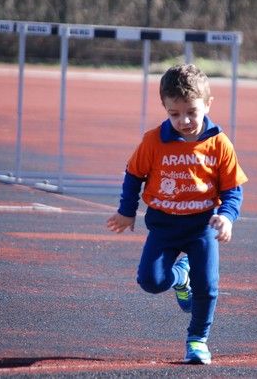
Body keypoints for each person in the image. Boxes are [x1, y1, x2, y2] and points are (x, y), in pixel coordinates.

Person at [106, 64, 248, 365]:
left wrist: (227, 217)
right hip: (164, 227)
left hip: (202, 227)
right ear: (165, 108)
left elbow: (233, 189)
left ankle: (197, 340)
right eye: (174, 113)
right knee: (151, 281)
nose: (183, 120)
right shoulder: (154, 141)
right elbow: (134, 174)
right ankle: (179, 276)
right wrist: (126, 212)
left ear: (208, 105)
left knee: (208, 286)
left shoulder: (219, 144)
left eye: (191, 112)